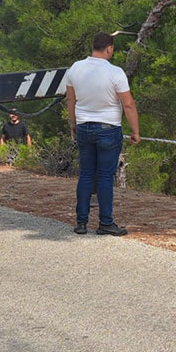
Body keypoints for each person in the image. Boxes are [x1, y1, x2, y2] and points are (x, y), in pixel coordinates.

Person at [65, 32, 140, 236]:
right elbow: (128, 104)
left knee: (86, 174)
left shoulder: (75, 68)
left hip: (83, 125)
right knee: (106, 177)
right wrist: (135, 131)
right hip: (108, 127)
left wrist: (73, 123)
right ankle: (105, 222)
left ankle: (81, 222)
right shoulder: (115, 73)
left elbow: (70, 100)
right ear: (109, 48)